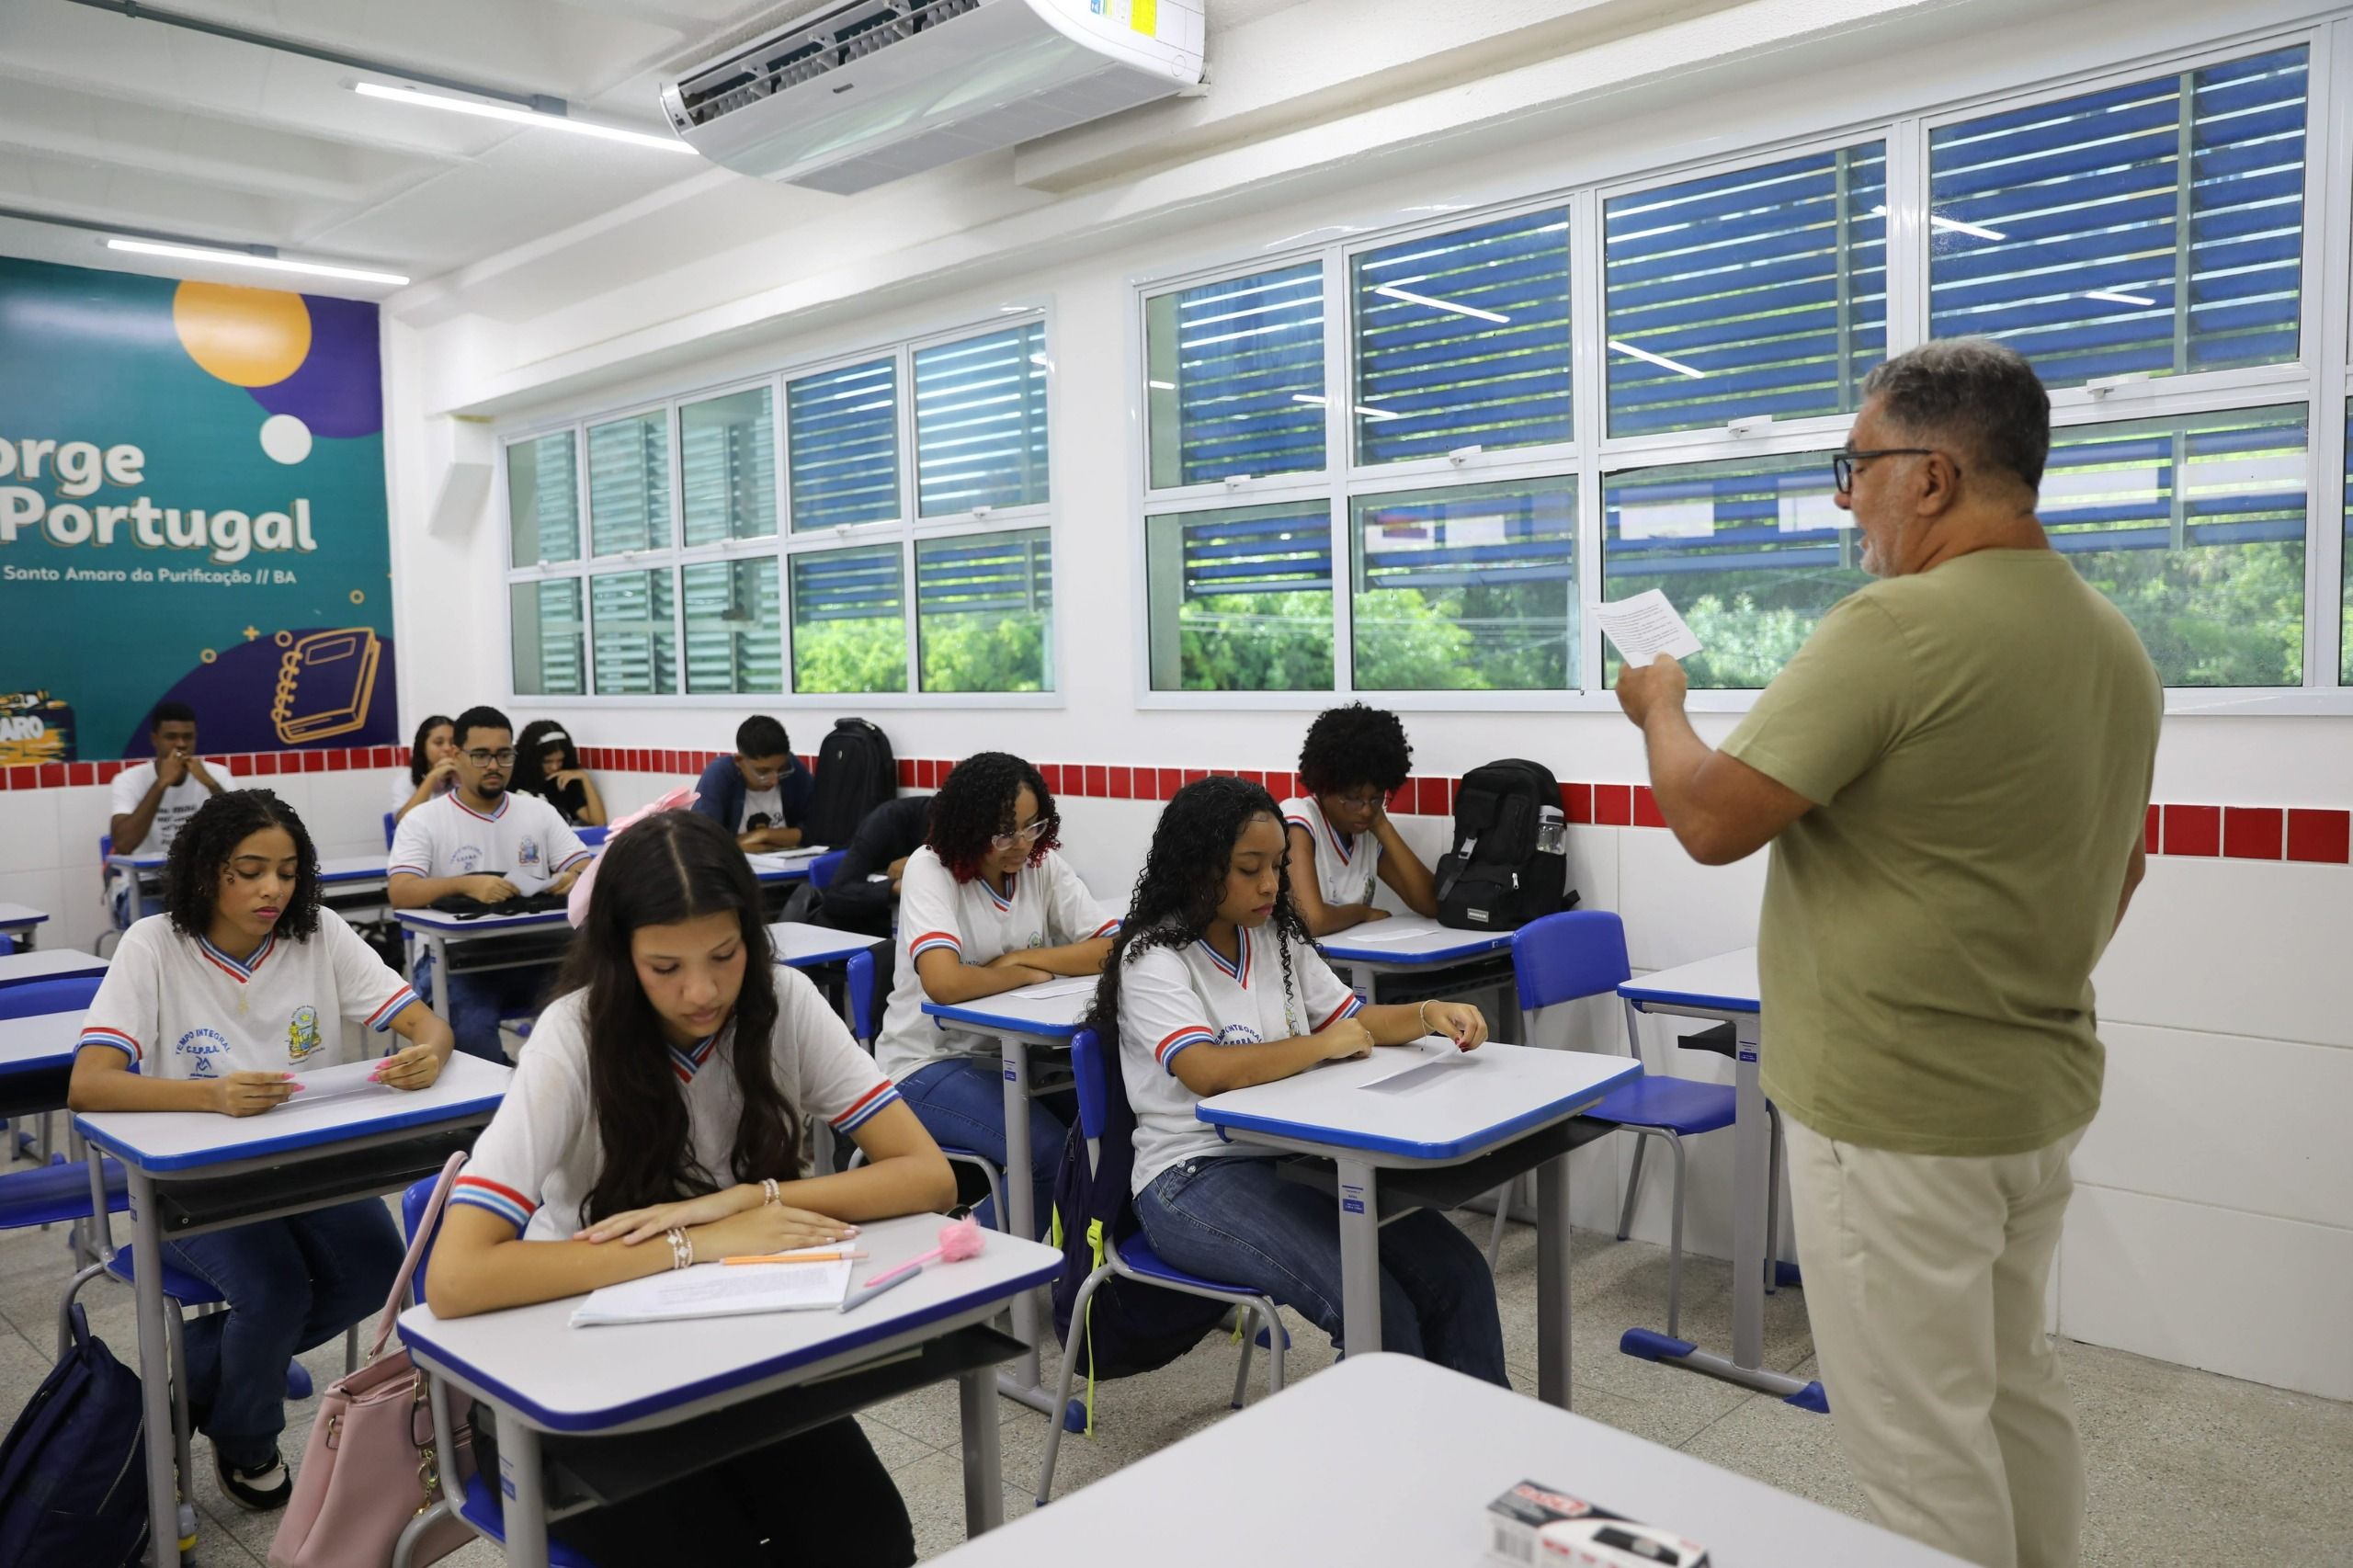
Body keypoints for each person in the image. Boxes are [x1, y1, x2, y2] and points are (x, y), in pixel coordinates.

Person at [1612, 339, 2160, 1568]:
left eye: (1854, 465)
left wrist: (1661, 706)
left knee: (1918, 1445)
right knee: (2013, 1389)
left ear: (1931, 474)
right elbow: (2122, 867)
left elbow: (1709, 818)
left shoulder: (1898, 625)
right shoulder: (2110, 639)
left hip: (1896, 1117)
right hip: (2032, 1098)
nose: (1843, 497)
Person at [423, 806, 950, 1568]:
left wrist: (755, 1201)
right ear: (620, 955)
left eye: (724, 955)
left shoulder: (784, 1002)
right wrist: (694, 1243)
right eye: (665, 968)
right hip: (580, 1383)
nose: (702, 991)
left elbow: (927, 1176)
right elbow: (456, 1278)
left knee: (869, 1543)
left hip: (741, 1358)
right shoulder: (574, 1035)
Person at [67, 789, 456, 1509]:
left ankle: (203, 1369)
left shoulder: (320, 933)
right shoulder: (154, 945)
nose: (272, 889)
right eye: (249, 872)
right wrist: (210, 1096)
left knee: (378, 1271)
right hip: (194, 1179)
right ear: (207, 870)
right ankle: (247, 1439)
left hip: (307, 1167)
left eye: (287, 871)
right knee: (274, 1294)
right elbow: (89, 1084)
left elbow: (427, 1025)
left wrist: (429, 1053)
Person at [1090, 775, 1504, 1381]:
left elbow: (1353, 1020)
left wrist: (1427, 1014)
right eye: (1248, 868)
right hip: (1190, 1176)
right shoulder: (1154, 956)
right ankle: (1396, 1440)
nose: (1270, 884)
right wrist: (1318, 1046)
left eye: (1279, 866)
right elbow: (1205, 1071)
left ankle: (1480, 1433)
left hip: (1287, 1158)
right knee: (1372, 1305)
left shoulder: (1273, 936)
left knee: (1458, 1272)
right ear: (1198, 868)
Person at [873, 754, 1117, 1234]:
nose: (1022, 845)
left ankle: (1068, 1263)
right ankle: (963, 1264)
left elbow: (1114, 948)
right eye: (1005, 834)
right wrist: (1021, 975)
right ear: (968, 829)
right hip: (925, 1063)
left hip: (1011, 1059)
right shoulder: (931, 869)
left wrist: (1025, 959)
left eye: (1033, 827)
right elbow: (944, 982)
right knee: (1044, 1155)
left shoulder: (1039, 865)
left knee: (1102, 1133)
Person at [388, 705, 593, 1061]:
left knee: (596, 1009)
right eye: (481, 755)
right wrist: (466, 885)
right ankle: (500, 1091)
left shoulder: (538, 811)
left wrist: (573, 878)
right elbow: (401, 891)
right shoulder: (424, 820)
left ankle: (558, 1086)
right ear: (457, 755)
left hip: (536, 952)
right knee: (470, 1031)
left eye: (504, 755)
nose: (494, 765)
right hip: (454, 961)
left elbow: (586, 869)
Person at [1279, 704, 1438, 936]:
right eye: (1354, 798)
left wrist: (1382, 825)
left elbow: (1431, 904)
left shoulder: (1365, 831)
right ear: (1324, 787)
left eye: (1375, 798)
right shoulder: (1300, 819)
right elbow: (1311, 920)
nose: (1365, 811)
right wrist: (1362, 912)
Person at [108, 699, 222, 926]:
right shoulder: (128, 780)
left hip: (199, 884)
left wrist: (210, 784)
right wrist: (161, 784)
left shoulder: (215, 775)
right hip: (142, 886)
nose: (181, 744)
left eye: (188, 737)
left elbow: (246, 827)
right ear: (155, 739)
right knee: (157, 927)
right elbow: (123, 844)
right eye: (171, 737)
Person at [692, 716, 812, 851]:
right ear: (739, 761)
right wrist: (785, 838)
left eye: (781, 770)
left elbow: (818, 829)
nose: (775, 780)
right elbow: (702, 839)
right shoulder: (720, 774)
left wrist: (764, 834)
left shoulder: (792, 767)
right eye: (763, 772)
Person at [514, 719, 607, 827]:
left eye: (560, 760)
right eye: (547, 761)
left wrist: (584, 777)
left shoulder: (563, 781)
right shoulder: (514, 781)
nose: (555, 767)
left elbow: (599, 822)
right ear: (532, 759)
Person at [391, 712, 458, 824]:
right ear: (423, 747)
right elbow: (403, 821)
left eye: (452, 743)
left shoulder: (464, 775)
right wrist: (432, 777)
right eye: (439, 743)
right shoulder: (406, 780)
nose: (447, 748)